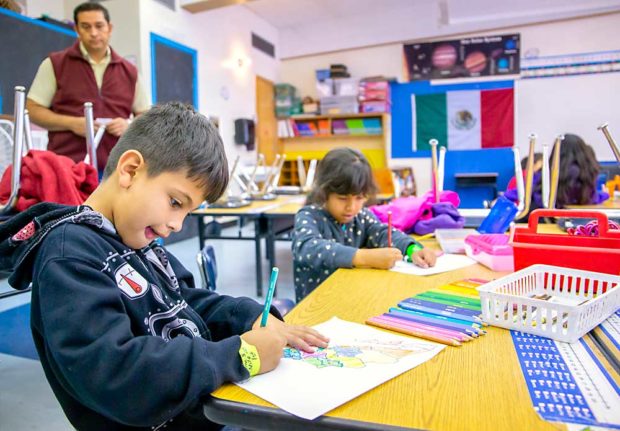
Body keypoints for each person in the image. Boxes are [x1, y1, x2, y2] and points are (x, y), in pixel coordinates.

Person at [0, 103, 328, 430]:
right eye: (175, 203)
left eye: (187, 212)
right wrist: (241, 355)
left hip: (204, 411)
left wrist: (248, 315)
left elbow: (184, 298)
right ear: (129, 170)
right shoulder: (69, 254)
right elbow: (116, 375)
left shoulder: (137, 240)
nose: (177, 225)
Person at [291, 148, 437, 302]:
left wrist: (412, 249)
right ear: (324, 192)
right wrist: (363, 257)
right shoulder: (308, 216)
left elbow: (382, 232)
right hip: (316, 305)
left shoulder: (361, 216)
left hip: (354, 298)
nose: (351, 207)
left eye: (359, 198)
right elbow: (307, 247)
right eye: (342, 198)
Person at [26, 2, 150, 172]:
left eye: (99, 26)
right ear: (77, 29)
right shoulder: (55, 64)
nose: (93, 33)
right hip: (66, 168)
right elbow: (32, 109)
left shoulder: (129, 71)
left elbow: (145, 115)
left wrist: (128, 125)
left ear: (109, 28)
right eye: (86, 27)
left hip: (116, 170)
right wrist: (71, 123)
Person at [504, 133, 608, 216]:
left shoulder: (546, 174)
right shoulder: (586, 174)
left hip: (544, 221)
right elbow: (592, 198)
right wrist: (605, 194)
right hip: (578, 222)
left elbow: (524, 192)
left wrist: (502, 198)